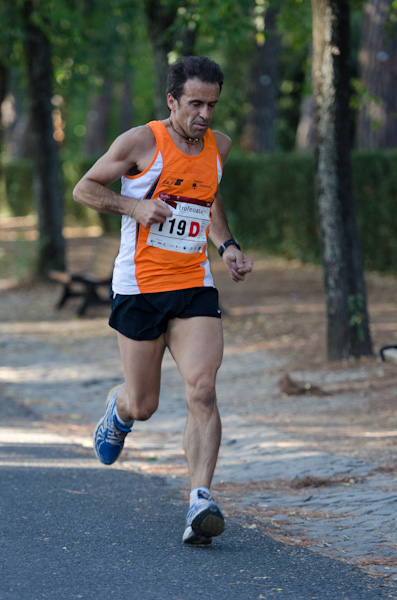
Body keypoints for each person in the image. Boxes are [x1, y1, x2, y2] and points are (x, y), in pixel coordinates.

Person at [73, 55, 253, 545]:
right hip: (140, 286)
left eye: (212, 105)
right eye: (195, 103)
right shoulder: (140, 142)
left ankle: (200, 499)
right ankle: (120, 408)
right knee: (145, 403)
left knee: (203, 389)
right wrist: (133, 205)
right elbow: (84, 188)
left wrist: (228, 246)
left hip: (193, 283)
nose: (205, 114)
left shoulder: (221, 146)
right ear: (172, 100)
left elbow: (208, 197)